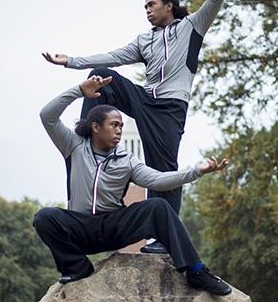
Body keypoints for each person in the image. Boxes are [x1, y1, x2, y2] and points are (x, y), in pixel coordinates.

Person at [42, 0, 227, 254]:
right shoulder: (145, 40)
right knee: (102, 74)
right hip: (144, 98)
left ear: (169, 5)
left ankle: (162, 237)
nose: (147, 11)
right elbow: (113, 57)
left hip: (169, 107)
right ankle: (89, 138)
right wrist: (71, 61)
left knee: (164, 168)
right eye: (144, 7)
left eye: (151, 4)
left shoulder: (192, 26)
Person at [33, 76, 231, 296]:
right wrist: (79, 90)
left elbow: (158, 180)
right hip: (82, 228)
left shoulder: (126, 159)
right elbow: (47, 115)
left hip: (114, 226)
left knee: (158, 206)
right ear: (96, 127)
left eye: (121, 126)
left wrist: (196, 171)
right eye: (114, 125)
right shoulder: (74, 145)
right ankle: (77, 267)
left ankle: (195, 270)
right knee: (44, 217)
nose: (118, 130)